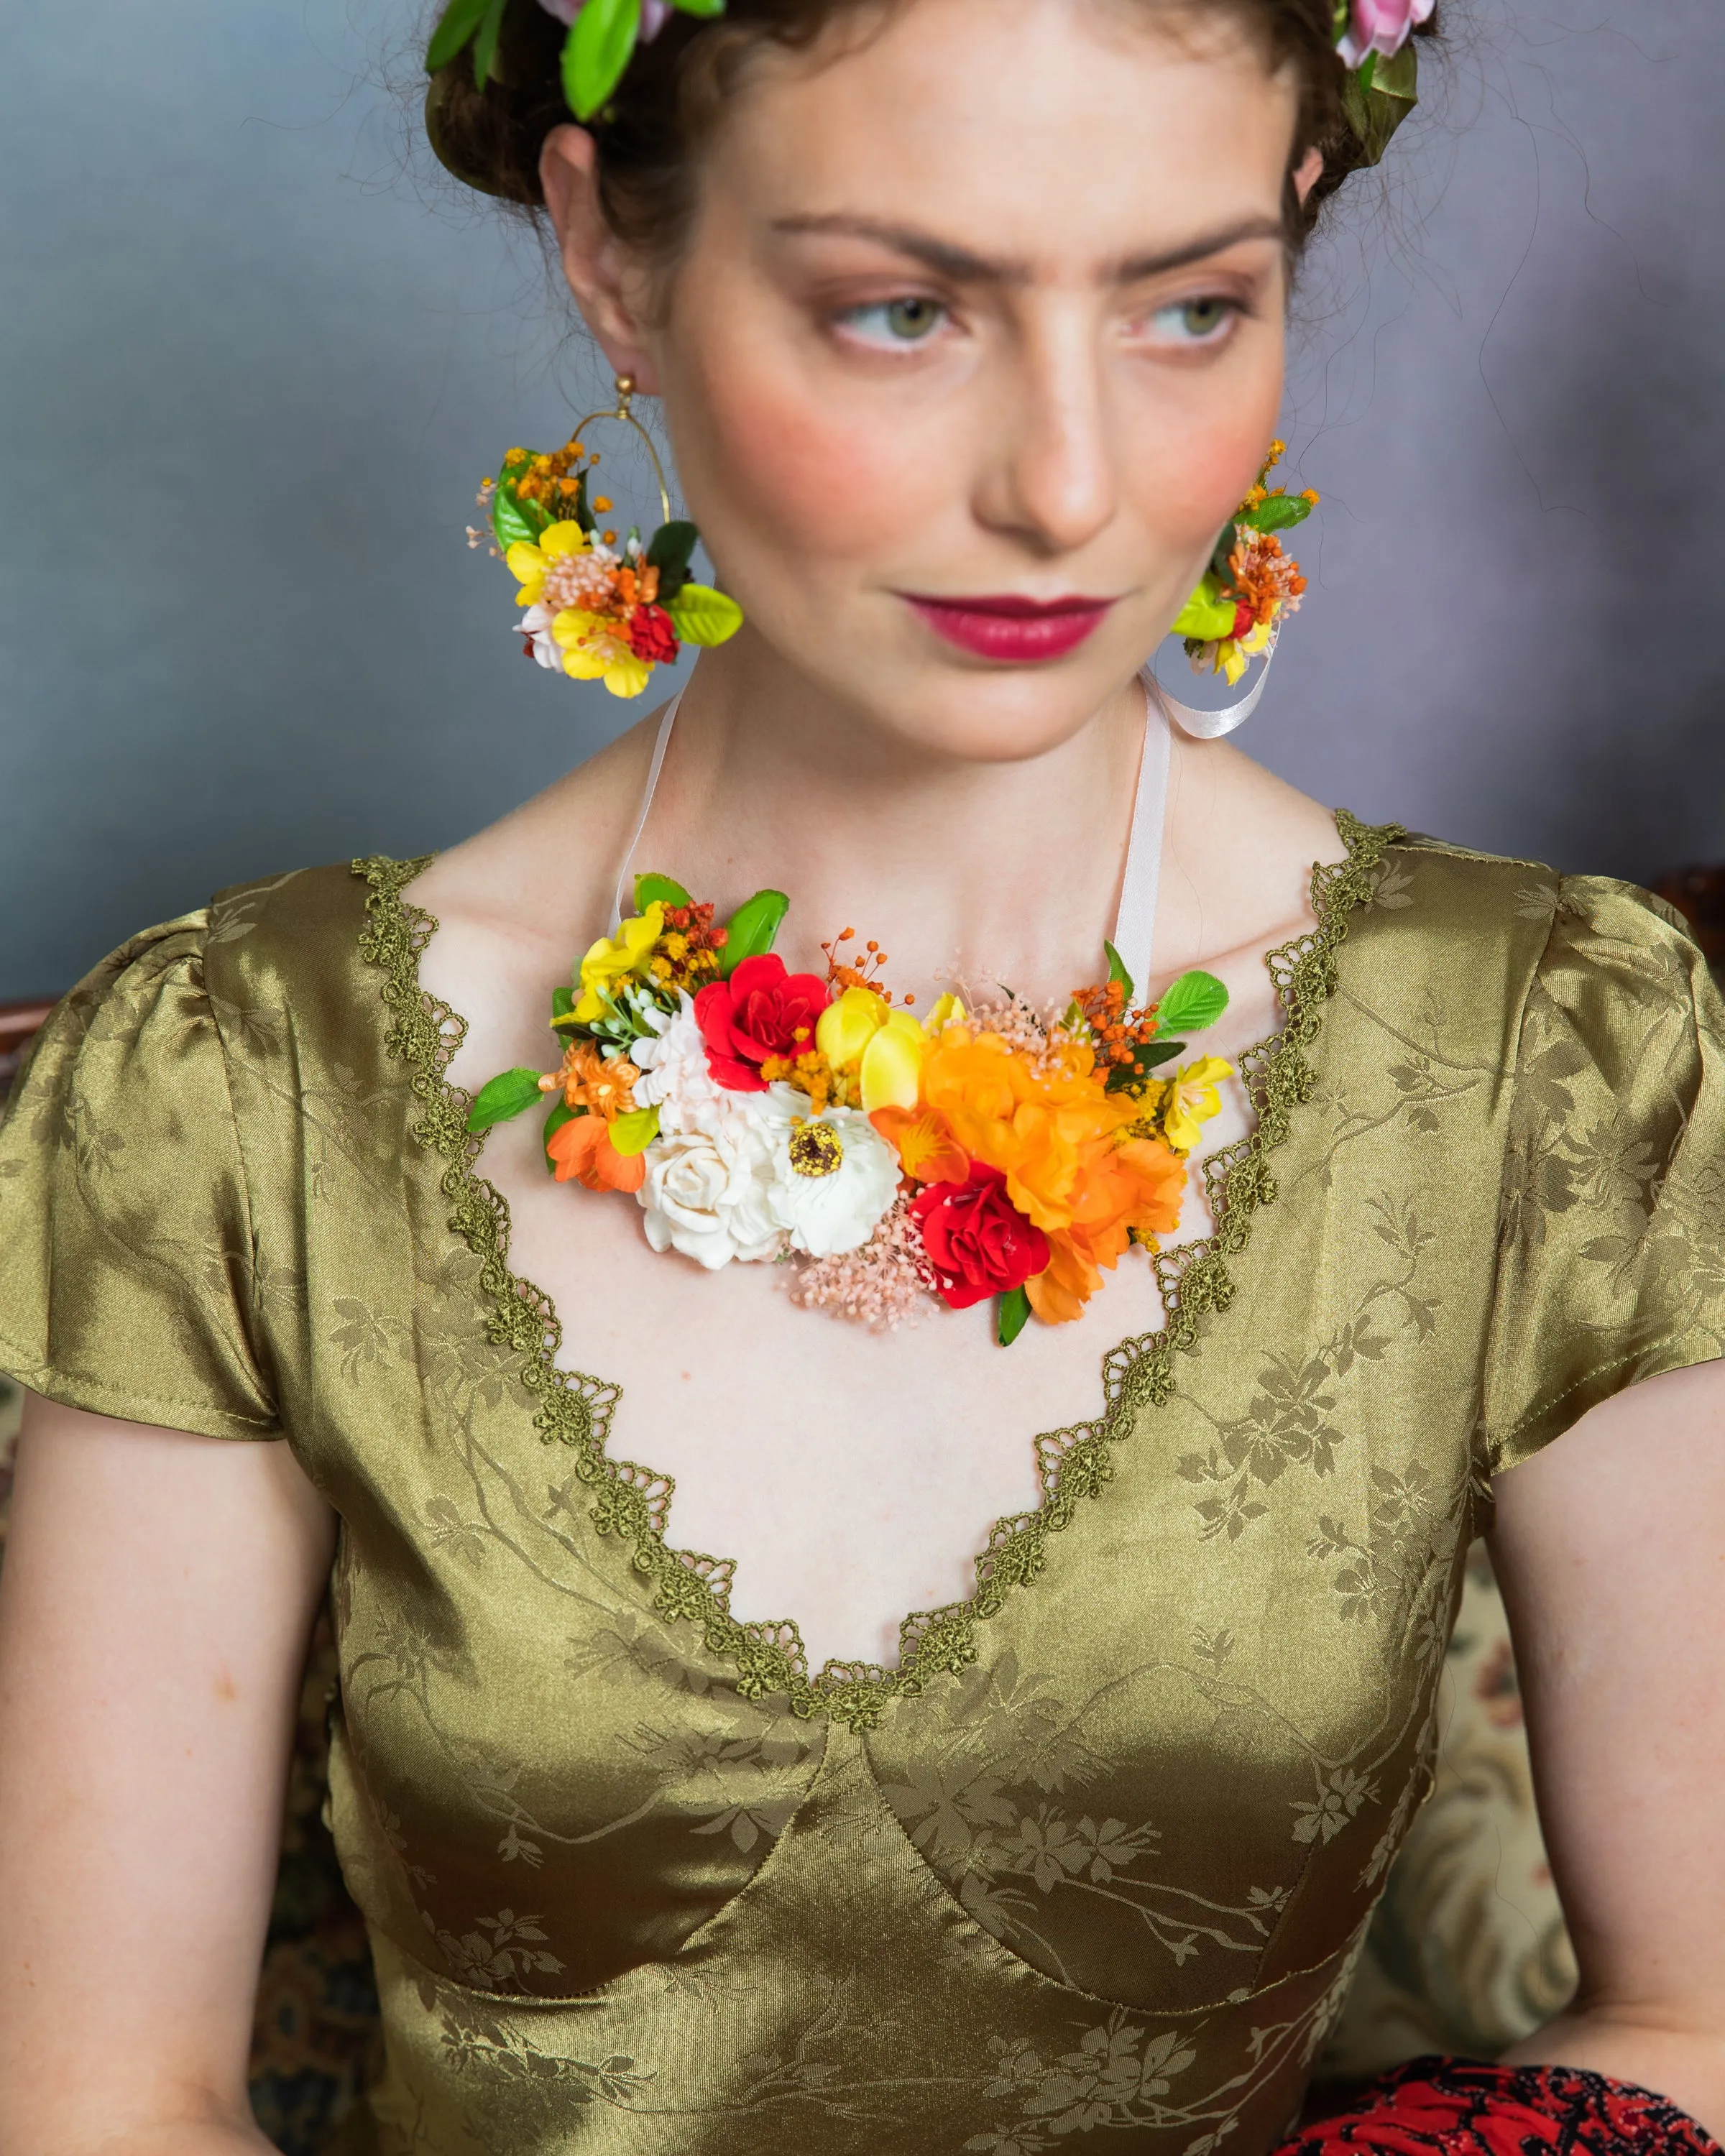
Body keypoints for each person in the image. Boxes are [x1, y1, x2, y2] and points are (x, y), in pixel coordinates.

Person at [1, 0, 1721, 2150]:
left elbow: (1706, 2036)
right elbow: (94, 2104)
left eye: (1192, 307)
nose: (1070, 484)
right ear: (609, 257)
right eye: (906, 310)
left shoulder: (1544, 1059)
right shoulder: (243, 1088)